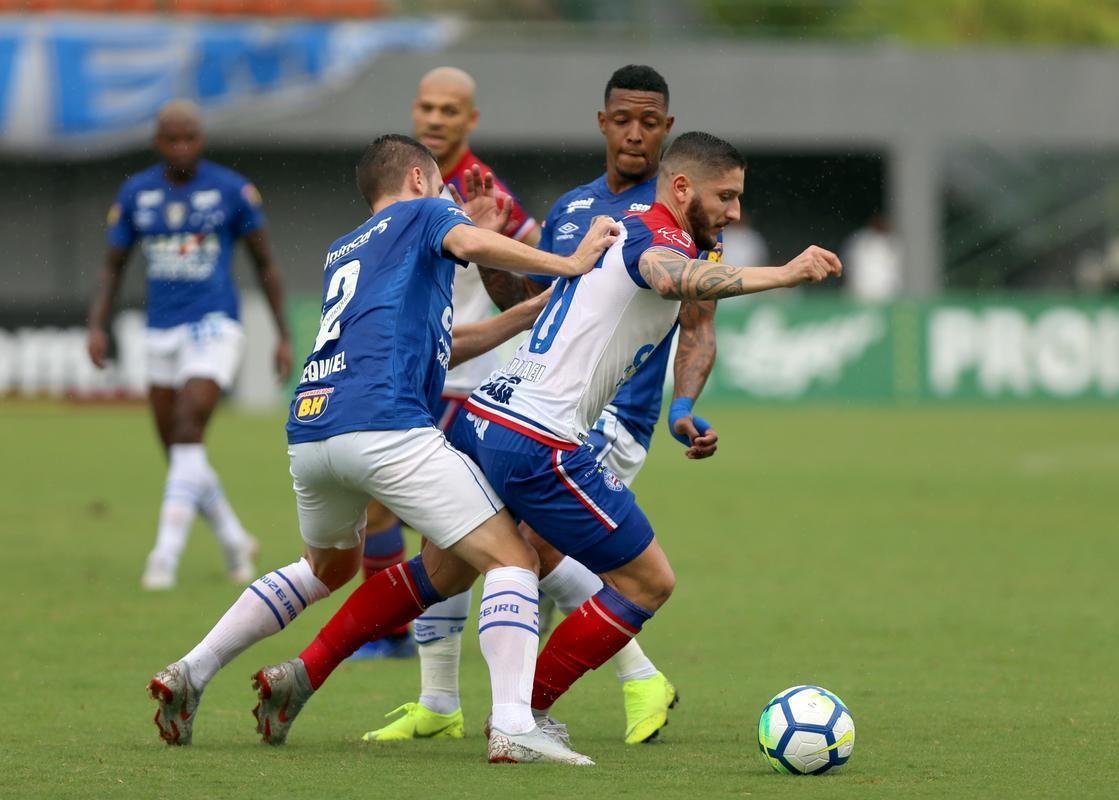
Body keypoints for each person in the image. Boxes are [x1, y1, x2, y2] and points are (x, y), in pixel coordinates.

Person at [255, 131, 841, 763]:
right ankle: (524, 713)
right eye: (725, 196)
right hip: (538, 440)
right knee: (647, 581)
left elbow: (673, 304)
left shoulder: (641, 230)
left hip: (487, 414)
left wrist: (681, 409)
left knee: (441, 572)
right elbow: (670, 278)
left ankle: (303, 673)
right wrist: (783, 274)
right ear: (681, 188)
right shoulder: (656, 234)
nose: (734, 211)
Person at [146, 134, 619, 766]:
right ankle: (513, 726)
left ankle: (192, 670)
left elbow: (444, 344)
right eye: (442, 189)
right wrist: (570, 263)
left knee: (327, 569)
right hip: (383, 425)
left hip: (313, 428)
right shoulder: (426, 211)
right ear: (420, 180)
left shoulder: (348, 248)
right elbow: (469, 242)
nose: (450, 203)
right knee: (513, 557)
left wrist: (527, 311)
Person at [362, 64, 717, 748]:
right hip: (537, 407)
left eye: (649, 122)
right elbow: (535, 305)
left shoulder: (685, 214)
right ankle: (446, 701)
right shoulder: (573, 209)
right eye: (623, 119)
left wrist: (683, 407)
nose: (635, 133)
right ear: (603, 123)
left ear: (667, 130)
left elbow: (699, 325)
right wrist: (488, 256)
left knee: (520, 543)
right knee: (461, 532)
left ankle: (606, 685)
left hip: (611, 418)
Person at [350, 66, 542, 660]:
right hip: (407, 373)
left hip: (465, 377)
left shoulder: (486, 191)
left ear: (470, 119)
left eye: (449, 110)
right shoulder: (398, 182)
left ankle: (525, 615)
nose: (435, 119)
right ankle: (392, 637)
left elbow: (532, 266)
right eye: (427, 107)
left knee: (457, 522)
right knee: (380, 504)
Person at [86, 100, 292, 591]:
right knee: (182, 451)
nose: (181, 147)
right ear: (157, 142)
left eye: (190, 138)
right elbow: (113, 266)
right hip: (160, 330)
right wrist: (97, 326)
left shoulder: (231, 190)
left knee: (186, 427)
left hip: (215, 324)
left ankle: (164, 557)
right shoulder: (136, 193)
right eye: (172, 139)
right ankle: (235, 540)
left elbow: (265, 263)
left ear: (201, 139)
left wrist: (283, 334)